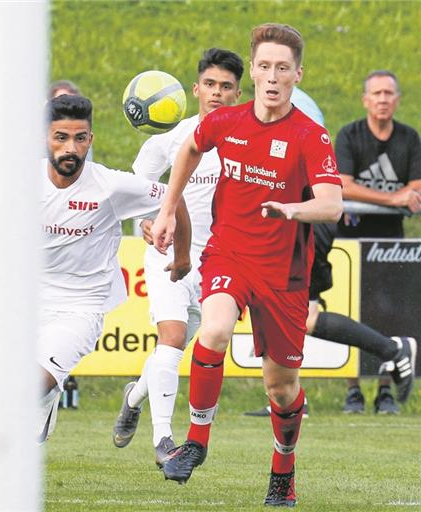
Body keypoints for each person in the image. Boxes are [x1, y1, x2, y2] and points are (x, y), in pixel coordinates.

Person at [150, 23, 343, 507]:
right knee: (212, 329)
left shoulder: (309, 136)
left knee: (281, 389)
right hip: (229, 252)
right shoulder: (228, 121)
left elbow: (333, 204)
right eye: (264, 67)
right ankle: (196, 442)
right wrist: (168, 209)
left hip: (284, 274)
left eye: (283, 68)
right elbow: (190, 148)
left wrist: (293, 209)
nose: (273, 77)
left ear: (297, 74)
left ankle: (283, 471)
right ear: (253, 72)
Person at [244, 85, 417, 417]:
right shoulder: (276, 116)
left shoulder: (296, 119)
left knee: (300, 318)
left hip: (306, 227)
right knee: (287, 317)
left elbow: (317, 184)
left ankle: (391, 349)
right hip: (299, 225)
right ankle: (291, 398)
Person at [111, 48, 244, 468]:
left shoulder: (247, 138)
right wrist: (149, 224)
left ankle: (133, 398)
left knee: (183, 347)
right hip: (169, 253)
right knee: (169, 340)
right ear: (195, 88)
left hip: (222, 263)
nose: (217, 93)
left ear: (239, 92)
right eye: (210, 85)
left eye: (226, 87)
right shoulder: (170, 137)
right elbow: (138, 192)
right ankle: (164, 440)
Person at [38, 94, 192, 442]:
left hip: (79, 309)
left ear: (90, 140)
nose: (70, 149)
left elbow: (174, 198)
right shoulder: (19, 182)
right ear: (44, 137)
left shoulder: (111, 185)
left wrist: (181, 257)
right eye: (60, 137)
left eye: (80, 138)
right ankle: (45, 397)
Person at [335, 70, 421, 414]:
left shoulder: (409, 138)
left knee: (389, 313)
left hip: (391, 240)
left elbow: (416, 190)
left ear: (397, 99)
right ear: (365, 100)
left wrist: (404, 197)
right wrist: (393, 199)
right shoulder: (349, 135)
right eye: (377, 93)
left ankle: (385, 390)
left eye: (389, 93)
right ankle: (352, 390)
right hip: (349, 238)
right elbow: (343, 185)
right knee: (348, 312)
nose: (383, 99)